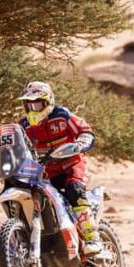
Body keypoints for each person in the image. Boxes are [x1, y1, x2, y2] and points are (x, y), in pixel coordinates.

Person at [18, 81, 101, 256]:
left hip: (72, 165)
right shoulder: (23, 126)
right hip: (47, 172)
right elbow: (16, 147)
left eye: (37, 104)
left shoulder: (62, 115)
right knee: (29, 195)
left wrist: (82, 142)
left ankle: (92, 237)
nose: (33, 109)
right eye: (29, 105)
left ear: (48, 102)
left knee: (74, 190)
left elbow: (85, 131)